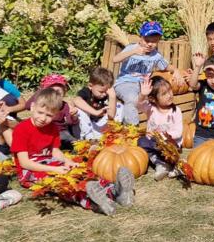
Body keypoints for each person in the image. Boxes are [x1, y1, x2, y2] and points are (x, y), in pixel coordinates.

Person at [12, 88, 134, 216]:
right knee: (63, 183)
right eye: (40, 112)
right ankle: (93, 202)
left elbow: (55, 151)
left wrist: (68, 161)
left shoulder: (52, 127)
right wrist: (55, 169)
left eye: (49, 115)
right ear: (32, 107)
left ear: (55, 115)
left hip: (50, 162)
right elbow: (25, 163)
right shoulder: (21, 129)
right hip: (30, 171)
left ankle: (116, 191)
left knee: (81, 171)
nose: (43, 118)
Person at [113, 21, 170, 126]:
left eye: (154, 41)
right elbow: (115, 59)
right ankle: (133, 129)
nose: (150, 44)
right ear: (140, 38)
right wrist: (133, 52)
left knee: (160, 96)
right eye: (147, 40)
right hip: (125, 83)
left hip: (144, 85)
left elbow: (167, 66)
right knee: (131, 99)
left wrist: (176, 72)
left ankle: (160, 126)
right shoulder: (131, 48)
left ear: (158, 41)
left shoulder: (156, 55)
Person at [137, 75, 183, 180]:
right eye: (164, 94)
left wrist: (162, 136)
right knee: (141, 141)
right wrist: (142, 95)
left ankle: (176, 165)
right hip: (154, 144)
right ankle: (161, 165)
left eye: (169, 90)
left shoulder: (176, 111)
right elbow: (139, 105)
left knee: (160, 145)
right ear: (152, 99)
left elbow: (178, 132)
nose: (169, 95)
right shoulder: (150, 108)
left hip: (170, 145)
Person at [24, 74, 78, 147]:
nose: (55, 95)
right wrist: (40, 92)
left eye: (58, 92)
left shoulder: (65, 105)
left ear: (64, 93)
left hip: (60, 130)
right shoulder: (42, 103)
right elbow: (27, 106)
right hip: (43, 129)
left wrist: (73, 116)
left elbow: (69, 122)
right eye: (52, 92)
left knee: (72, 142)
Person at [72, 66, 118, 141]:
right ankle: (88, 138)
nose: (104, 94)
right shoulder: (86, 92)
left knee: (119, 106)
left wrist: (112, 96)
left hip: (102, 126)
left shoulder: (109, 95)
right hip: (87, 127)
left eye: (106, 91)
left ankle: (109, 135)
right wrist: (95, 112)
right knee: (78, 110)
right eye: (101, 91)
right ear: (90, 86)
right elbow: (76, 100)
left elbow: (111, 116)